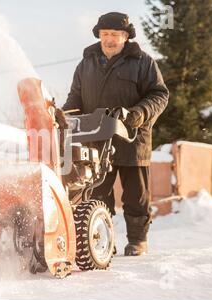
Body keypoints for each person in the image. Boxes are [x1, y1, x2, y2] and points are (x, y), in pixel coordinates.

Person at [59, 12, 169, 256]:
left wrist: (137, 114)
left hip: (132, 137)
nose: (109, 39)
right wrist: (63, 115)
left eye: (115, 35)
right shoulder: (86, 64)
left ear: (126, 37)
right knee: (97, 191)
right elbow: (75, 98)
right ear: (99, 35)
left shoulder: (143, 62)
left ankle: (138, 241)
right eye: (105, 34)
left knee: (135, 195)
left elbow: (159, 95)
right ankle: (102, 237)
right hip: (96, 138)